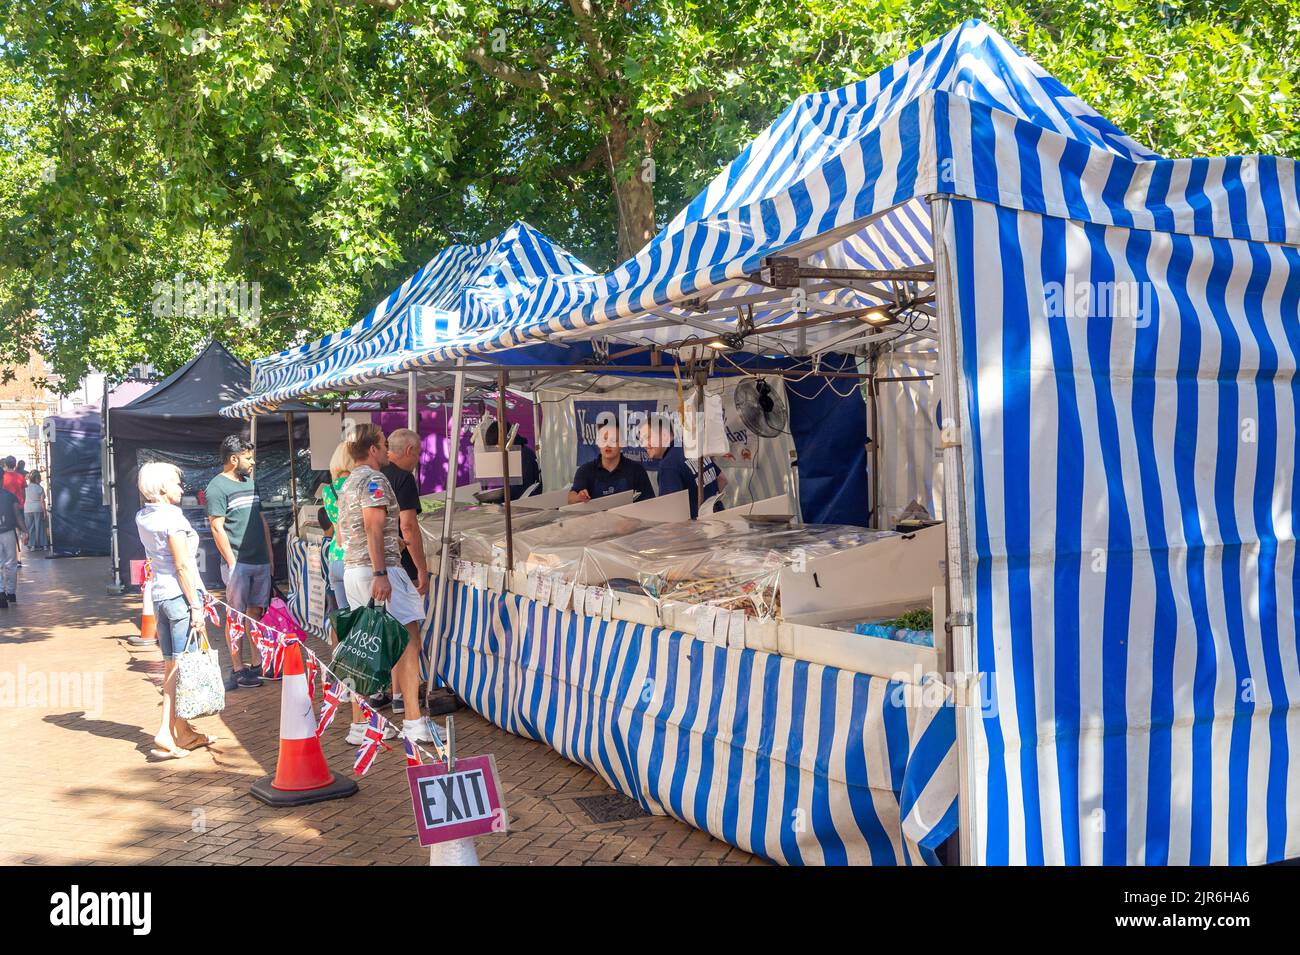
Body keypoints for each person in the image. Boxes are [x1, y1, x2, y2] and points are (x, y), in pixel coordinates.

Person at [337, 423, 435, 743]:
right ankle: (413, 721)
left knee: (362, 645)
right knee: (409, 641)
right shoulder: (375, 480)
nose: (387, 448)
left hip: (354, 568)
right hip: (379, 569)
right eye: (382, 443)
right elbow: (374, 528)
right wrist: (381, 572)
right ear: (373, 449)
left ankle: (360, 725)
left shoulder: (348, 481)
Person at [135, 462, 219, 759]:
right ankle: (166, 731)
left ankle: (180, 732)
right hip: (179, 598)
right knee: (181, 667)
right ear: (161, 488)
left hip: (159, 596)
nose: (181, 488)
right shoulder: (173, 517)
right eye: (175, 483)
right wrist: (196, 604)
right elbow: (183, 564)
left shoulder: (143, 516)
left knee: (173, 666)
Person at [369, 428, 430, 715]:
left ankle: (394, 694)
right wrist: (421, 567)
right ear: (409, 451)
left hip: (376, 567)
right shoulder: (403, 478)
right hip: (398, 567)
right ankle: (409, 707)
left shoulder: (376, 478)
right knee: (409, 638)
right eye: (418, 452)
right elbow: (408, 526)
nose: (418, 459)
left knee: (391, 633)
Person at [206, 435, 273, 690]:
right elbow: (216, 527)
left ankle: (257, 662)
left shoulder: (252, 484)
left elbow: (262, 520)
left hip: (259, 561)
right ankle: (237, 667)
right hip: (239, 563)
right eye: (248, 457)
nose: (253, 462)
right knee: (235, 615)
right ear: (233, 459)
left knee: (255, 612)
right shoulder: (217, 487)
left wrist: (269, 555)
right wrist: (232, 562)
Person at [640, 418, 726, 519]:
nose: (644, 444)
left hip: (698, 531)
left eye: (648, 437)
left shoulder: (668, 465)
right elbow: (722, 479)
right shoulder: (691, 447)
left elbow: (672, 515)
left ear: (664, 435)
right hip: (720, 518)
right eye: (641, 440)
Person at [567, 423, 654, 504]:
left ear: (622, 443)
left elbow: (649, 503)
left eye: (613, 440)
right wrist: (579, 497)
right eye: (604, 439)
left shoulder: (636, 470)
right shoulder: (585, 470)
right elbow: (571, 498)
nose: (608, 444)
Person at [483, 420, 541, 499]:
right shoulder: (513, 454)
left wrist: (498, 496)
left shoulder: (524, 455)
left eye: (496, 446)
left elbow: (523, 488)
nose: (496, 450)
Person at [0, 476, 26, 608]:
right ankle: (11, 593)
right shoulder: (10, 496)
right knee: (11, 563)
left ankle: (1, 593)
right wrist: (25, 531)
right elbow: (18, 515)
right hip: (8, 532)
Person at [24, 471, 47, 550]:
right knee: (40, 527)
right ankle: (44, 545)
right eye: (39, 478)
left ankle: (32, 545)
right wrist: (45, 512)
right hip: (38, 509)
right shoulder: (40, 488)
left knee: (30, 528)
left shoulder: (25, 487)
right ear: (37, 479)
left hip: (27, 509)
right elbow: (42, 501)